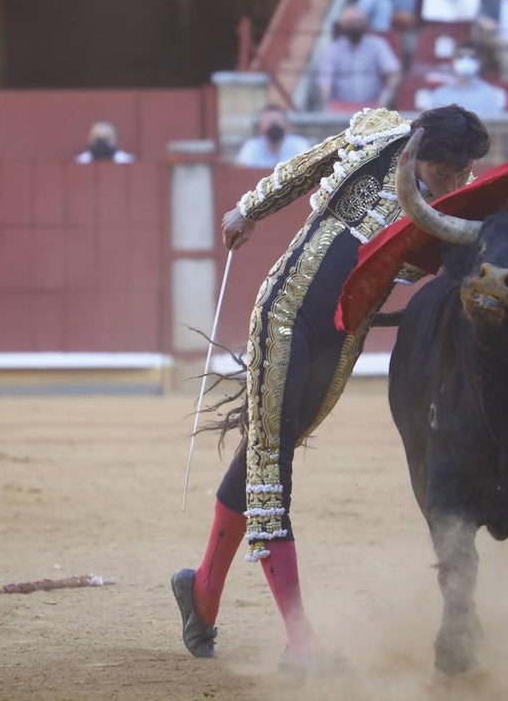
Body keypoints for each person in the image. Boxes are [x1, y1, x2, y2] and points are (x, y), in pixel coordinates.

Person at [172, 104, 490, 670]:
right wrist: (249, 209)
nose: (458, 183)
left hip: (341, 339)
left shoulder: (451, 209)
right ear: (427, 156)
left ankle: (200, 593)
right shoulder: (380, 137)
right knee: (272, 470)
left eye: (465, 173)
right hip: (286, 314)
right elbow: (308, 164)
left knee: (266, 454)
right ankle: (302, 644)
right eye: (450, 173)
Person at [317, 4, 402, 113]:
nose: (354, 26)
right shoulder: (333, 49)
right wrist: (326, 107)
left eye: (358, 21)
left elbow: (394, 72)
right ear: (342, 25)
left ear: (365, 23)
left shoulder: (377, 44)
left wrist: (383, 102)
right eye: (350, 22)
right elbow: (325, 81)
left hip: (372, 108)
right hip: (340, 108)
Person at [428, 39, 508, 116]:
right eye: (461, 57)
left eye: (472, 57)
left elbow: (495, 126)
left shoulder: (489, 95)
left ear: (479, 62)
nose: (466, 61)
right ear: (453, 60)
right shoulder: (441, 95)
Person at [234, 105, 311, 169]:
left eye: (277, 121)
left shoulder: (299, 144)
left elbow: (308, 167)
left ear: (287, 125)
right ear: (260, 127)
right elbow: (241, 169)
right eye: (269, 122)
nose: (273, 126)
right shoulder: (251, 147)